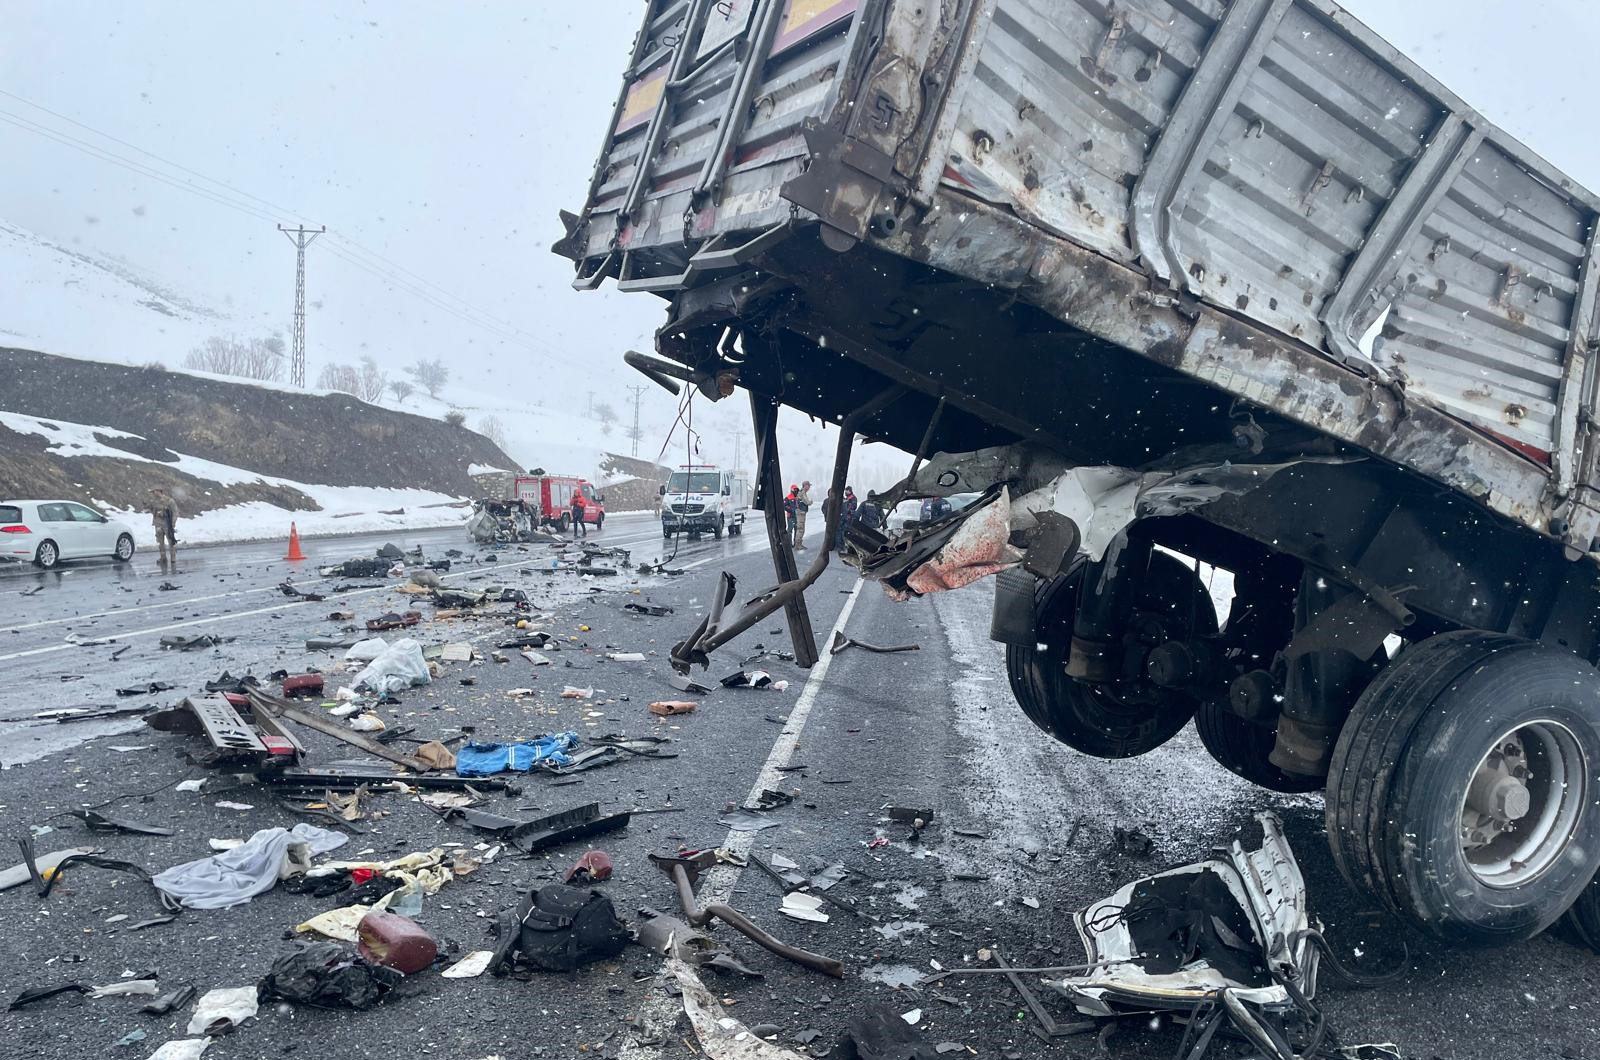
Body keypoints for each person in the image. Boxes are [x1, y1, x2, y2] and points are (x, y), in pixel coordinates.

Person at [148, 487, 179, 567]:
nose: (153, 493)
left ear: (159, 491)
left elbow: (175, 512)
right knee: (160, 542)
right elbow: (151, 510)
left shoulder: (169, 501)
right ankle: (163, 558)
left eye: (154, 491)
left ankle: (173, 558)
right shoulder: (154, 501)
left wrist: (173, 523)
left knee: (171, 541)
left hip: (167, 524)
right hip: (158, 524)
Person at [836, 485, 858, 550]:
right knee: (841, 531)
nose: (845, 492)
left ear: (850, 491)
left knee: (845, 531)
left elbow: (852, 507)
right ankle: (842, 545)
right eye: (845, 491)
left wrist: (846, 511)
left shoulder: (853, 498)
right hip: (844, 516)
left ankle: (846, 545)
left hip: (848, 517)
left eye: (846, 491)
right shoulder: (847, 498)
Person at [794, 480, 812, 550]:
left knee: (800, 529)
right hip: (800, 513)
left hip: (800, 512)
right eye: (809, 486)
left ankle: (798, 544)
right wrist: (810, 501)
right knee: (801, 529)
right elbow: (807, 502)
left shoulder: (801, 492)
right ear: (805, 486)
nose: (809, 487)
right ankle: (798, 545)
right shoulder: (802, 493)